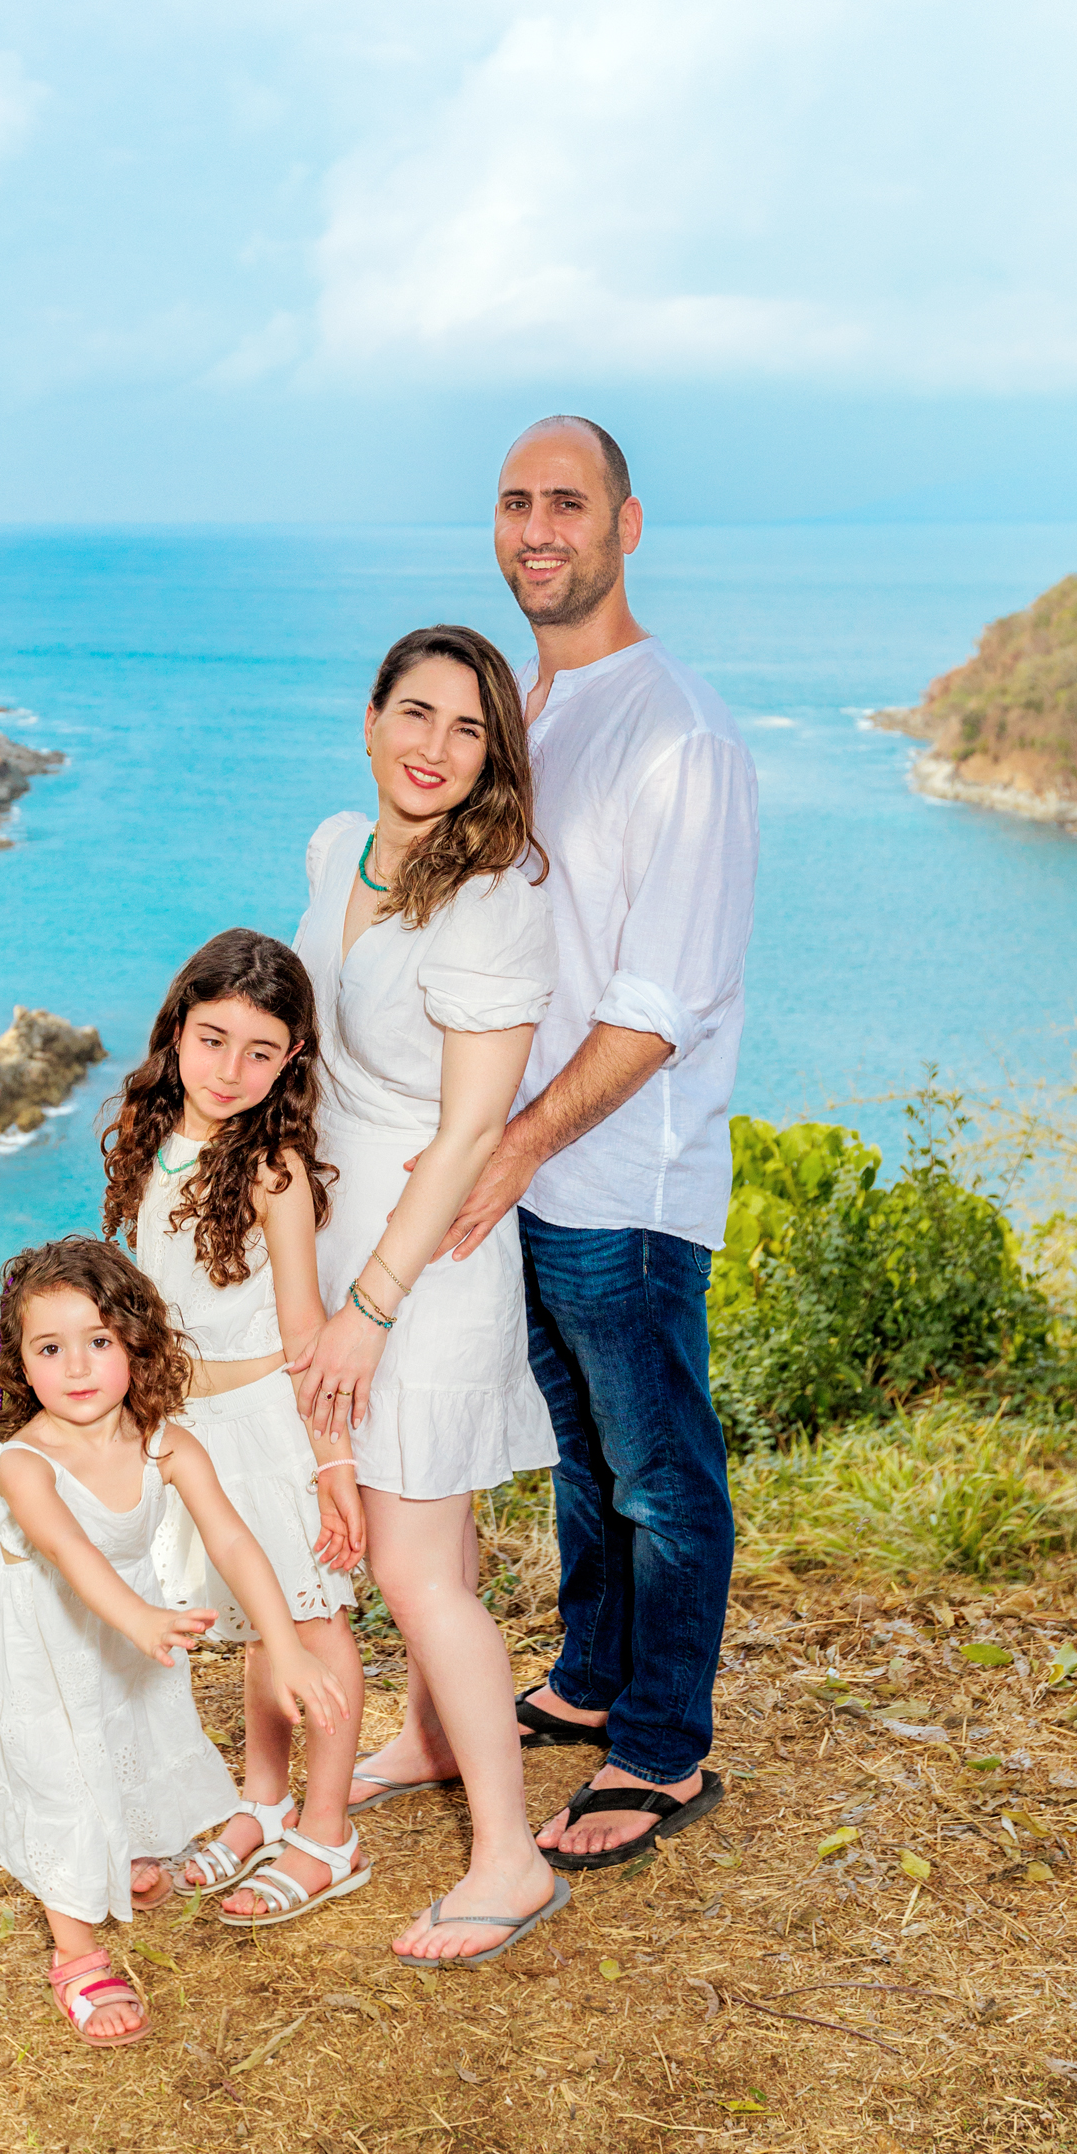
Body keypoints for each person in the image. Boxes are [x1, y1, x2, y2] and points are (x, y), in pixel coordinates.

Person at [435, 415, 759, 1870]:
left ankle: (662, 1747)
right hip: (539, 1172)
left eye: (567, 502)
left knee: (658, 1470)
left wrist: (509, 1145)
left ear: (628, 525)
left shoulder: (675, 729)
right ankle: (592, 1676)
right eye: (515, 503)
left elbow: (656, 1004)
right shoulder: (532, 706)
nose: (537, 529)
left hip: (624, 1179)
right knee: (581, 1456)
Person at [289, 624, 568, 1967]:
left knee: (408, 1561)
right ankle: (432, 1741)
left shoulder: (493, 898)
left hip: (429, 1262)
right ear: (370, 715)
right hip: (342, 1237)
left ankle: (511, 1862)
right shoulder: (336, 843)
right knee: (434, 1545)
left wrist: (373, 1301)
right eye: (415, 713)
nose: (433, 748)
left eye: (467, 729)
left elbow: (468, 1134)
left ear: (494, 755)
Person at [0, 1236, 347, 2047]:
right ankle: (76, 1953)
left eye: (99, 1342)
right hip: (45, 1648)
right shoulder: (25, 1464)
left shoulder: (166, 1443)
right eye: (50, 1348)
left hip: (127, 1639)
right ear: (22, 1365)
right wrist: (143, 1620)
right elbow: (74, 1557)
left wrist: (284, 1644)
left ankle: (125, 1849)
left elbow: (235, 1542)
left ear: (136, 1343)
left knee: (132, 1742)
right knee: (62, 1779)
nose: (76, 1367)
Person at [101, 929, 369, 1927]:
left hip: (267, 1425)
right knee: (261, 1624)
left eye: (260, 1052)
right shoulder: (152, 1138)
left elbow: (305, 1326)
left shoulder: (274, 1171)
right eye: (212, 1039)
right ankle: (264, 1801)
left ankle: (330, 1834)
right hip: (188, 1427)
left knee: (308, 1623)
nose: (230, 1071)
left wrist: (332, 1463)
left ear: (291, 1060)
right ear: (176, 1029)